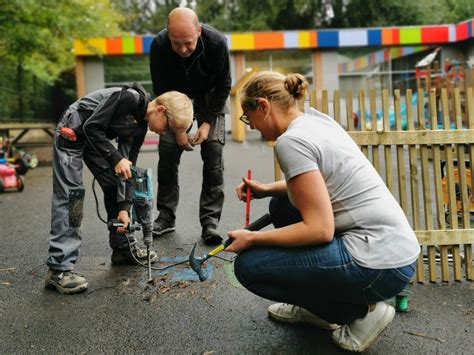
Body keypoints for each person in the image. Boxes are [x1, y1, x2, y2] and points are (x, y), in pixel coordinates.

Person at [226, 71, 420, 352]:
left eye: (248, 116)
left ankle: (360, 314)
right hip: (396, 253)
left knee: (249, 267)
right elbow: (319, 179)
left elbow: (319, 229)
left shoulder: (289, 142)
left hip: (378, 264)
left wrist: (252, 239)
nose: (251, 125)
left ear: (264, 106)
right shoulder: (315, 122)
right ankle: (317, 309)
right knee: (280, 205)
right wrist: (267, 188)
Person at [45, 84, 193, 294]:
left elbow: (126, 170)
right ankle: (59, 269)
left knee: (116, 184)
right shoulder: (128, 99)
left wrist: (124, 207)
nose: (164, 133)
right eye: (168, 127)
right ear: (160, 110)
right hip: (74, 130)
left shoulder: (140, 128)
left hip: (93, 138)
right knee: (72, 196)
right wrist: (115, 159)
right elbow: (92, 126)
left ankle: (122, 249)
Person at [149, 7, 231, 245]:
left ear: (199, 31)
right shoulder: (159, 45)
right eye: (176, 44)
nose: (183, 50)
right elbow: (160, 89)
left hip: (211, 96)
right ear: (168, 35)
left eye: (188, 43)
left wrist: (206, 124)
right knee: (167, 153)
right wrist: (178, 130)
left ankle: (210, 222)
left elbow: (224, 85)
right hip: (174, 97)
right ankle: (165, 216)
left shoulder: (216, 43)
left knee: (214, 155)